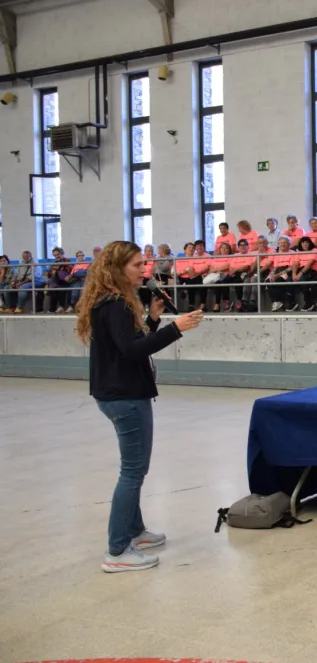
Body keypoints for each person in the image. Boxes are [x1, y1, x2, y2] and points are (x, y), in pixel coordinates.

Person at [76, 240, 203, 573]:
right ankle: (117, 550)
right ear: (117, 269)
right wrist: (175, 328)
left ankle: (135, 531)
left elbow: (129, 344)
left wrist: (153, 320)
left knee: (134, 469)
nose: (143, 269)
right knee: (132, 472)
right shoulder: (117, 303)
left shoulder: (109, 301)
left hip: (117, 392)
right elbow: (132, 351)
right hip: (125, 397)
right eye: (136, 264)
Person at [227, 238, 259, 312]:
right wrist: (237, 269)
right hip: (234, 273)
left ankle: (242, 302)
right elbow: (231, 269)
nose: (242, 247)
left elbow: (248, 267)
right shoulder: (235, 255)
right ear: (238, 247)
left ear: (248, 246)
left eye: (244, 245)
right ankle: (227, 302)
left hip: (245, 273)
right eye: (240, 245)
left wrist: (236, 269)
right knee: (221, 282)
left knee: (238, 281)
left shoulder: (252, 255)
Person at [266, 236, 296, 312]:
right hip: (279, 272)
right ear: (278, 244)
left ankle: (289, 302)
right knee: (268, 281)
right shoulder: (276, 254)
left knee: (278, 281)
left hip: (288, 272)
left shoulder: (292, 253)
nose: (283, 244)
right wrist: (271, 275)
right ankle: (276, 302)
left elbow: (291, 267)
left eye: (285, 243)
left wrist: (277, 275)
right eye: (281, 243)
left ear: (289, 244)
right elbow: (275, 267)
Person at [208, 242, 234, 312]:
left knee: (222, 281)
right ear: (219, 249)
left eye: (226, 248)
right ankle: (218, 303)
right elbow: (210, 270)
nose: (224, 249)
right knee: (218, 282)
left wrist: (217, 270)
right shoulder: (215, 258)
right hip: (216, 276)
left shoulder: (231, 258)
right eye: (222, 248)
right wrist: (218, 271)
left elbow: (228, 266)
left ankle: (224, 302)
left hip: (227, 276)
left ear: (229, 250)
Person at [46, 246, 73, 313]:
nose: (56, 256)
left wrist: (60, 272)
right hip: (56, 282)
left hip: (65, 281)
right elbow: (49, 274)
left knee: (58, 287)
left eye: (58, 254)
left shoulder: (67, 261)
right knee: (54, 289)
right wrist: (52, 272)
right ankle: (54, 308)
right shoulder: (54, 263)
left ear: (62, 253)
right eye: (55, 255)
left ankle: (57, 307)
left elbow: (71, 272)